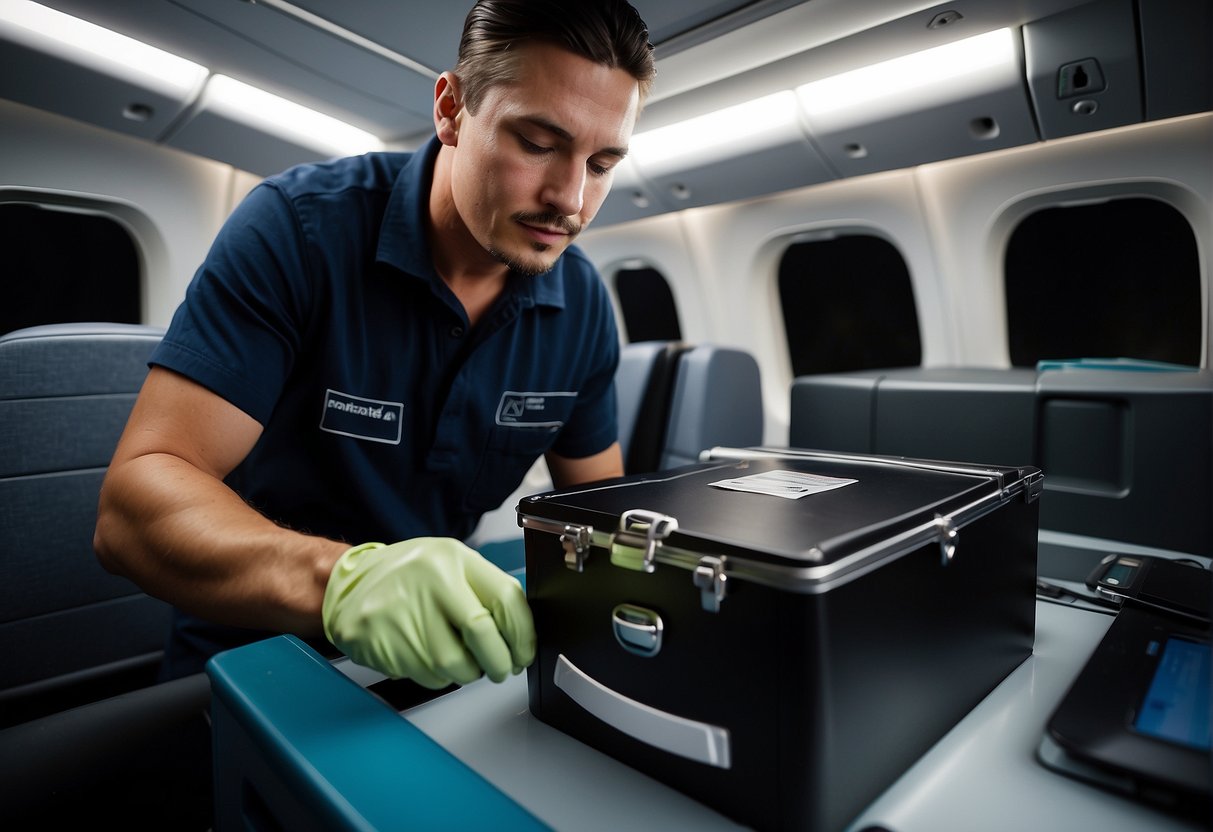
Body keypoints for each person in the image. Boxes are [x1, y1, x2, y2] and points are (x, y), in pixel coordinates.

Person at [94, 0, 656, 693]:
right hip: (256, 660)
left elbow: (598, 523)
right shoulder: (297, 232)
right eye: (537, 144)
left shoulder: (583, 306)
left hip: (444, 663)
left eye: (601, 163)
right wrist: (345, 583)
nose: (569, 198)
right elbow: (130, 511)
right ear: (451, 110)